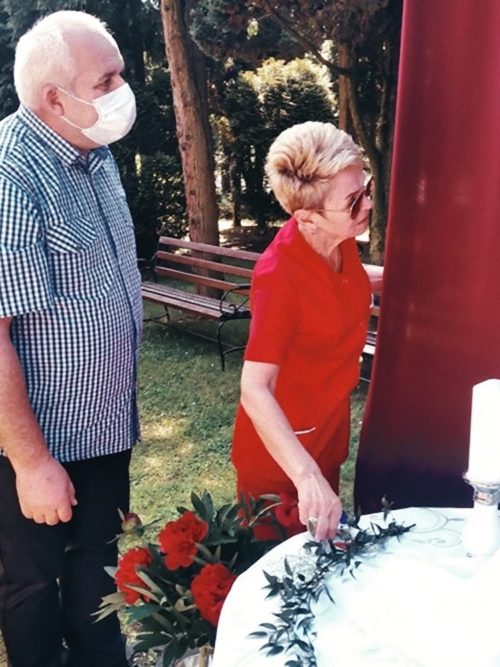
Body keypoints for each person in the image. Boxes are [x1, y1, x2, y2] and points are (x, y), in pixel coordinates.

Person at [0, 11, 142, 667]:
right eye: (106, 80)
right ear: (55, 99)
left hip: (105, 427)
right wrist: (32, 463)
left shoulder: (96, 152)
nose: (122, 90)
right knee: (32, 585)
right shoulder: (11, 174)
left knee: (97, 565)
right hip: (35, 443)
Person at [232, 121, 374, 542]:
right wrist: (306, 476)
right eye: (353, 202)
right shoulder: (279, 276)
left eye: (365, 190)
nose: (367, 204)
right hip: (282, 459)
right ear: (307, 218)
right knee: (283, 570)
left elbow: (341, 283)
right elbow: (255, 387)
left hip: (326, 432)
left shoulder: (337, 240)